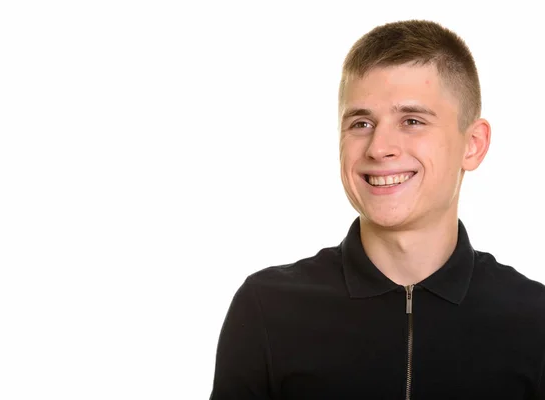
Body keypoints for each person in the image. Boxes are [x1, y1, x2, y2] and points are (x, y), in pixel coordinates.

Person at [209, 19, 545, 399]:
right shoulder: (266, 309)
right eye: (361, 122)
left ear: (473, 144)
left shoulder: (535, 321)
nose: (378, 147)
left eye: (412, 121)